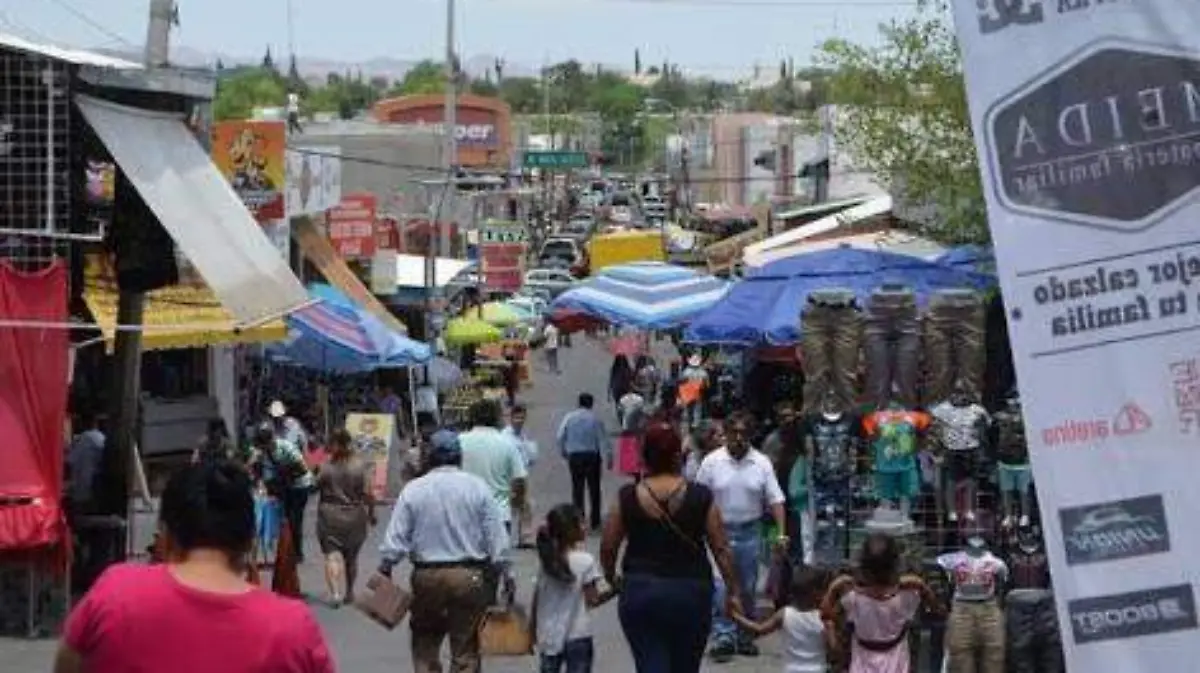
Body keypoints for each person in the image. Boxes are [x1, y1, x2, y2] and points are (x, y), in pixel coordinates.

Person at [53, 460, 334, 673]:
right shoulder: (293, 628)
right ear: (249, 540)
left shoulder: (114, 594)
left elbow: (66, 666)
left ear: (164, 535)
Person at [600, 422, 742, 673]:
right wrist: (732, 592)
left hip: (641, 590)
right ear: (679, 456)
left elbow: (608, 546)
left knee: (649, 663)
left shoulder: (627, 497)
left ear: (644, 457)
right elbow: (721, 549)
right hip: (690, 592)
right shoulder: (700, 496)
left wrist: (613, 579)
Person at [378, 430, 510, 673]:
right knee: (466, 648)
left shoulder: (414, 490)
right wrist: (506, 575)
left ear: (430, 458)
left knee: (425, 641)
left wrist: (385, 568)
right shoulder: (477, 487)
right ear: (459, 457)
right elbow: (496, 537)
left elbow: (395, 538)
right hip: (469, 577)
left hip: (427, 577)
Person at [695, 411, 788, 662]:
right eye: (734, 433)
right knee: (722, 585)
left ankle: (745, 633)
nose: (739, 438)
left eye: (744, 433)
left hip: (749, 532)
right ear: (725, 434)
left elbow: (776, 499)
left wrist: (781, 533)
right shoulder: (711, 462)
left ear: (750, 435)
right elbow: (698, 497)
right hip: (718, 532)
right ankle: (723, 635)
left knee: (747, 586)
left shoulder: (761, 463)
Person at [820, 534, 944, 673]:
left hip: (861, 665)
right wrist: (921, 585)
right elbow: (936, 607)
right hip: (898, 665)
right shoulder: (907, 596)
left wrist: (835, 586)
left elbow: (826, 612)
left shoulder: (852, 598)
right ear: (895, 566)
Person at [532, 504, 617, 673]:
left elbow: (536, 600)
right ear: (570, 530)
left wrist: (530, 630)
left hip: (548, 635)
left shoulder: (547, 563)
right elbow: (592, 600)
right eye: (581, 523)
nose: (585, 527)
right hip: (578, 635)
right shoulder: (585, 561)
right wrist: (615, 589)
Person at [732, 566, 833, 673]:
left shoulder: (785, 613)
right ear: (818, 594)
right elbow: (834, 650)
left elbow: (759, 629)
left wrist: (736, 616)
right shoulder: (824, 618)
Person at [315, 429, 375, 607]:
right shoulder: (360, 466)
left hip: (329, 515)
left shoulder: (326, 466)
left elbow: (314, 485)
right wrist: (372, 514)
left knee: (332, 556)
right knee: (351, 557)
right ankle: (349, 593)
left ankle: (335, 593)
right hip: (355, 515)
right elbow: (368, 494)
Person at [460, 399, 528, 535]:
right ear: (497, 418)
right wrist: (516, 503)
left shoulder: (459, 442)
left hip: (467, 514)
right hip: (499, 514)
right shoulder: (507, 444)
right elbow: (520, 480)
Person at [249, 423, 313, 564]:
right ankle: (284, 549)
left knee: (294, 518)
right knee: (282, 517)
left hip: (299, 485)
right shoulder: (262, 452)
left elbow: (302, 469)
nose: (262, 448)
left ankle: (297, 552)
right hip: (282, 485)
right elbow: (255, 469)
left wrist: (282, 474)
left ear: (270, 441)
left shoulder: (286, 447)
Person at [557, 393, 611, 531]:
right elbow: (603, 439)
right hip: (592, 456)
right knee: (594, 489)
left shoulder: (569, 417)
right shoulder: (595, 418)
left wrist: (563, 451)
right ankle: (595, 521)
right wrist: (609, 457)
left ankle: (579, 519)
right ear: (591, 404)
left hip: (575, 456)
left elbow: (560, 435)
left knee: (577, 489)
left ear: (578, 403)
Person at [503, 404, 539, 547]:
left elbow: (529, 456)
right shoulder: (506, 436)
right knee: (513, 506)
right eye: (517, 417)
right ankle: (508, 537)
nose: (519, 420)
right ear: (510, 418)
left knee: (526, 506)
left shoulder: (522, 435)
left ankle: (524, 538)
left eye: (522, 418)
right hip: (510, 476)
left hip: (522, 474)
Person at [65, 410, 106, 513]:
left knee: (81, 514)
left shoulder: (84, 438)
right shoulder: (102, 438)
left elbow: (70, 460)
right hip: (96, 482)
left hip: (83, 484)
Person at [608, 355, 633, 424]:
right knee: (621, 405)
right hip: (621, 389)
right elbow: (611, 381)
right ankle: (622, 419)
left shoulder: (617, 369)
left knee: (622, 405)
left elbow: (611, 381)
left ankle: (623, 419)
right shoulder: (626, 369)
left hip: (620, 389)